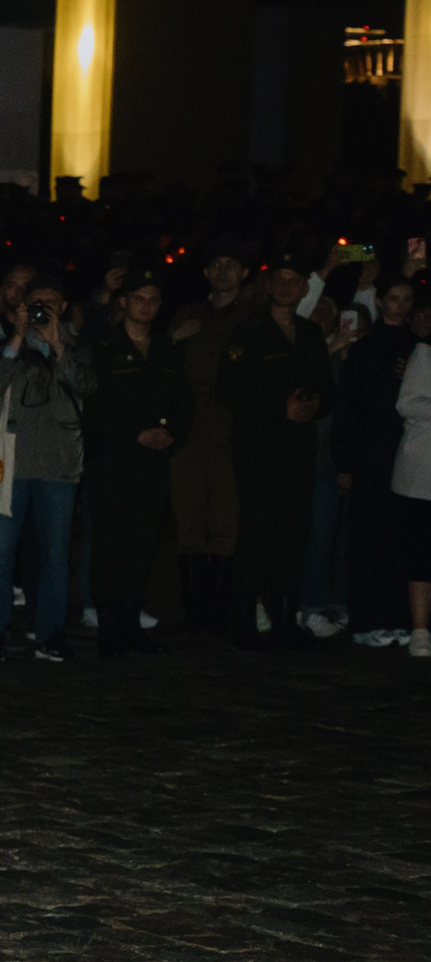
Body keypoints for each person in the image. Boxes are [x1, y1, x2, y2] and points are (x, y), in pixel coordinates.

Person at [0, 272, 95, 662]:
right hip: (10, 462)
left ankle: (51, 632)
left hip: (58, 464)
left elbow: (86, 387)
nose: (44, 309)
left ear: (63, 307)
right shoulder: (6, 346)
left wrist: (58, 345)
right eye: (35, 303)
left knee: (55, 557)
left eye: (50, 303)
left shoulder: (78, 346)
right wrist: (18, 335)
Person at [217, 258, 333, 649]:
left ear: (304, 288)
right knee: (257, 529)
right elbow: (229, 389)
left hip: (299, 448)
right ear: (267, 286)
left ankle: (286, 617)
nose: (286, 286)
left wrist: (315, 404)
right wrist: (277, 407)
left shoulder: (312, 333)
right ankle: (245, 619)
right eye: (279, 279)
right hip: (259, 446)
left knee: (293, 531)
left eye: (294, 279)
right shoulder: (249, 331)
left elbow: (327, 388)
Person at [82, 264, 193, 657]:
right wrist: (133, 434)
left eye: (153, 299)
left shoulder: (165, 348)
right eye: (138, 299)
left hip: (154, 461)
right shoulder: (102, 348)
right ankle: (110, 626)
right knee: (112, 543)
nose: (146, 306)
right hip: (113, 460)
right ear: (124, 302)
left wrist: (173, 433)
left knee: (143, 542)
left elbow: (182, 401)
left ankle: (131, 621)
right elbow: (93, 409)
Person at [168, 246, 255, 629]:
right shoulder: (188, 315)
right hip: (188, 425)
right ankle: (195, 611)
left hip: (232, 426)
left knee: (226, 519)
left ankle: (220, 611)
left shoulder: (253, 318)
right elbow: (160, 366)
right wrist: (173, 338)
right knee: (188, 518)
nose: (223, 271)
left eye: (231, 264)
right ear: (205, 272)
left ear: (245, 271)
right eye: (216, 264)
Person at [334, 270, 419, 645]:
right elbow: (349, 409)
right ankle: (369, 622)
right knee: (369, 540)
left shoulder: (419, 347)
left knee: (403, 540)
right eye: (394, 298)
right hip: (371, 459)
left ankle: (402, 619)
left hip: (410, 457)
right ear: (381, 301)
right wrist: (346, 464)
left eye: (406, 299)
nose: (400, 306)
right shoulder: (366, 349)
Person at [390, 334, 431, 656]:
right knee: (421, 551)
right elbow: (408, 403)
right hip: (424, 470)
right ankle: (420, 630)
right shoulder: (426, 350)